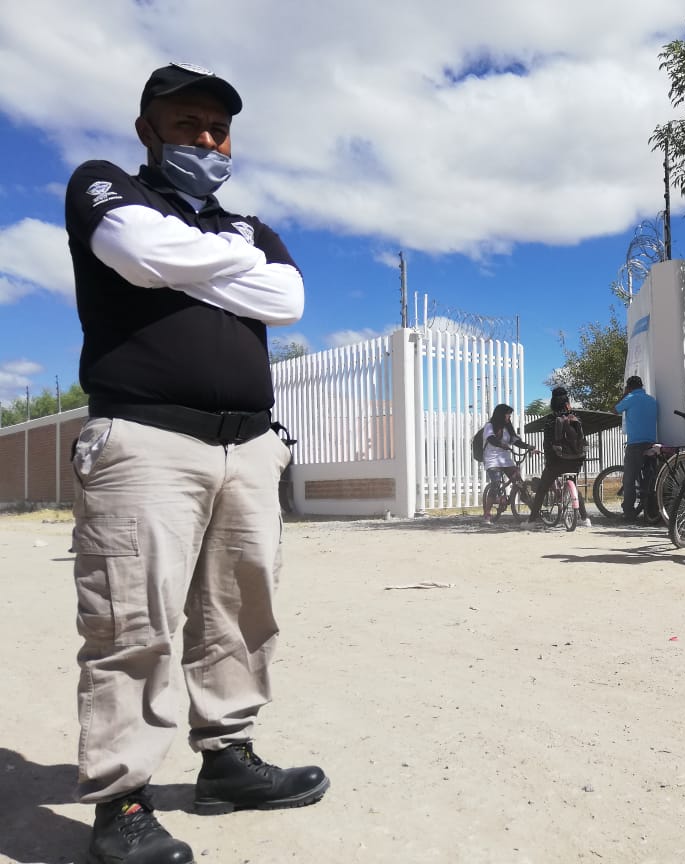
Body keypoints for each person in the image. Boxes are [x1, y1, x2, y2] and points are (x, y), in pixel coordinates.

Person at [64, 63, 327, 864]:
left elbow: (288, 299)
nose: (207, 141)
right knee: (130, 623)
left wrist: (188, 264)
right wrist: (209, 269)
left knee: (239, 617)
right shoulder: (105, 185)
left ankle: (228, 762)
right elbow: (138, 249)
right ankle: (123, 800)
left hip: (247, 445)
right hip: (145, 439)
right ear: (150, 131)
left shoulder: (249, 225)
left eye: (218, 129)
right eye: (188, 125)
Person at [526, 387, 592, 527]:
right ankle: (585, 519)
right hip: (576, 460)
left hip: (556, 461)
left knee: (543, 488)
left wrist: (549, 461)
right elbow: (581, 440)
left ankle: (531, 521)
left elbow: (547, 443)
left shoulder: (551, 419)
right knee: (572, 482)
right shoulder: (576, 417)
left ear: (553, 403)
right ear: (567, 402)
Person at [613, 375, 660, 521]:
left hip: (635, 444)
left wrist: (625, 394)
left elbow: (615, 410)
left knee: (629, 479)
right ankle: (650, 510)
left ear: (629, 387)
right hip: (652, 444)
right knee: (650, 478)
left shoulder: (630, 398)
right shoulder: (652, 400)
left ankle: (629, 511)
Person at [481, 403, 536, 523]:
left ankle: (534, 513)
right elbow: (491, 439)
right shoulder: (489, 426)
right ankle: (487, 514)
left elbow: (516, 441)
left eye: (510, 415)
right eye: (507, 415)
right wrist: (501, 444)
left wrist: (529, 447)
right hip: (492, 459)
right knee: (495, 484)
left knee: (520, 483)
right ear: (501, 415)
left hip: (505, 459)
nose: (509, 417)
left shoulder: (508, 428)